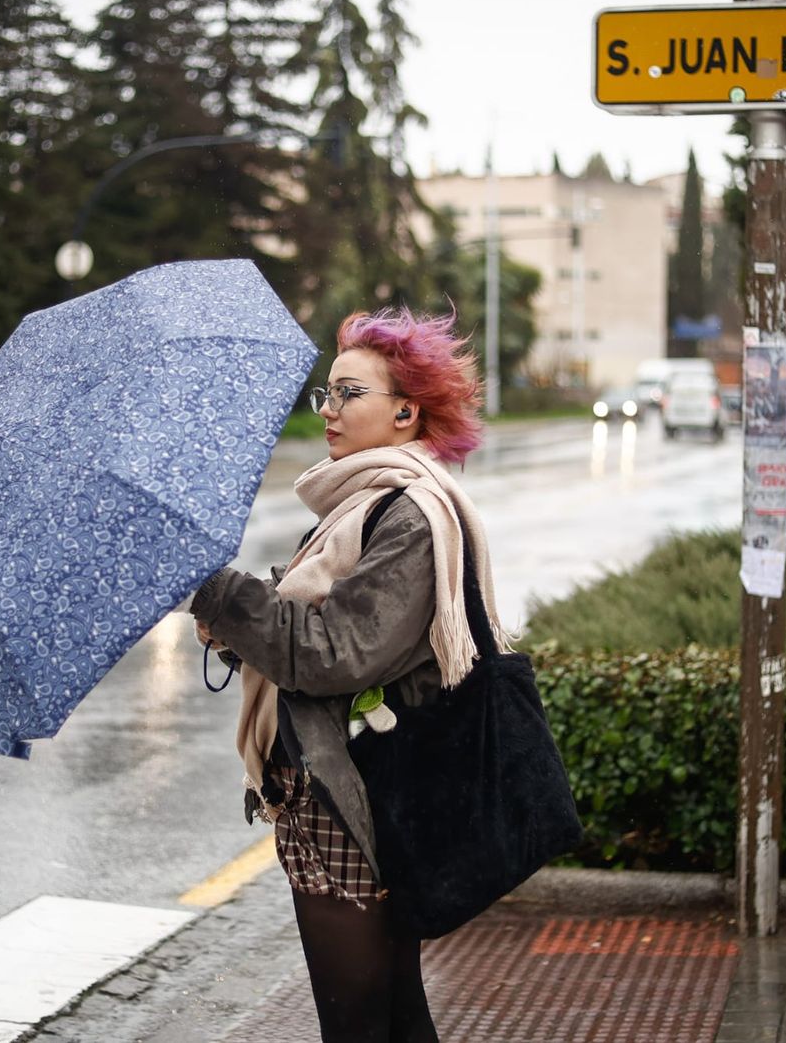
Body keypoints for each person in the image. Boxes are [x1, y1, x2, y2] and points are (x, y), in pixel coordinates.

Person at [190, 307, 511, 1043]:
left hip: (352, 797)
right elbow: (312, 631)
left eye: (348, 393)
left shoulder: (409, 515)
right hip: (337, 788)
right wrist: (237, 630)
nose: (328, 410)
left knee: (360, 1019)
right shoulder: (362, 503)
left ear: (406, 411)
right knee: (391, 1014)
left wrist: (220, 592)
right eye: (326, 394)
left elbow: (335, 653)